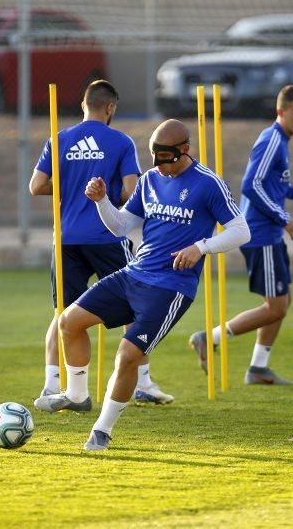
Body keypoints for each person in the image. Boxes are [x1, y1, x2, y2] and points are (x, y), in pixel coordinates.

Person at [34, 119, 250, 451]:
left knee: (127, 355)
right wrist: (102, 201)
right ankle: (76, 395)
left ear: (185, 150)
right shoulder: (150, 180)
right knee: (68, 322)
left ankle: (102, 430)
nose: (160, 166)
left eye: (167, 158)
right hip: (134, 274)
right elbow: (122, 227)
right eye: (155, 158)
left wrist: (201, 247)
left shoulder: (209, 184)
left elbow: (241, 231)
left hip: (171, 288)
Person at [29, 80, 173, 405]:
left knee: (63, 313)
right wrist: (101, 193)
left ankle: (52, 385)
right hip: (106, 236)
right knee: (136, 307)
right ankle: (143, 384)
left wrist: (70, 183)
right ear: (110, 108)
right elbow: (130, 192)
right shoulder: (120, 142)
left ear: (84, 105)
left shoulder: (59, 139)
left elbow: (37, 186)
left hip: (66, 240)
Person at [189, 85, 293, 385]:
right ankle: (209, 338)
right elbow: (251, 185)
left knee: (282, 302)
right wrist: (283, 216)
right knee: (276, 306)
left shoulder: (281, 141)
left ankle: (258, 367)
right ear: (281, 112)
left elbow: (274, 183)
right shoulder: (272, 140)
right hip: (260, 234)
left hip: (269, 234)